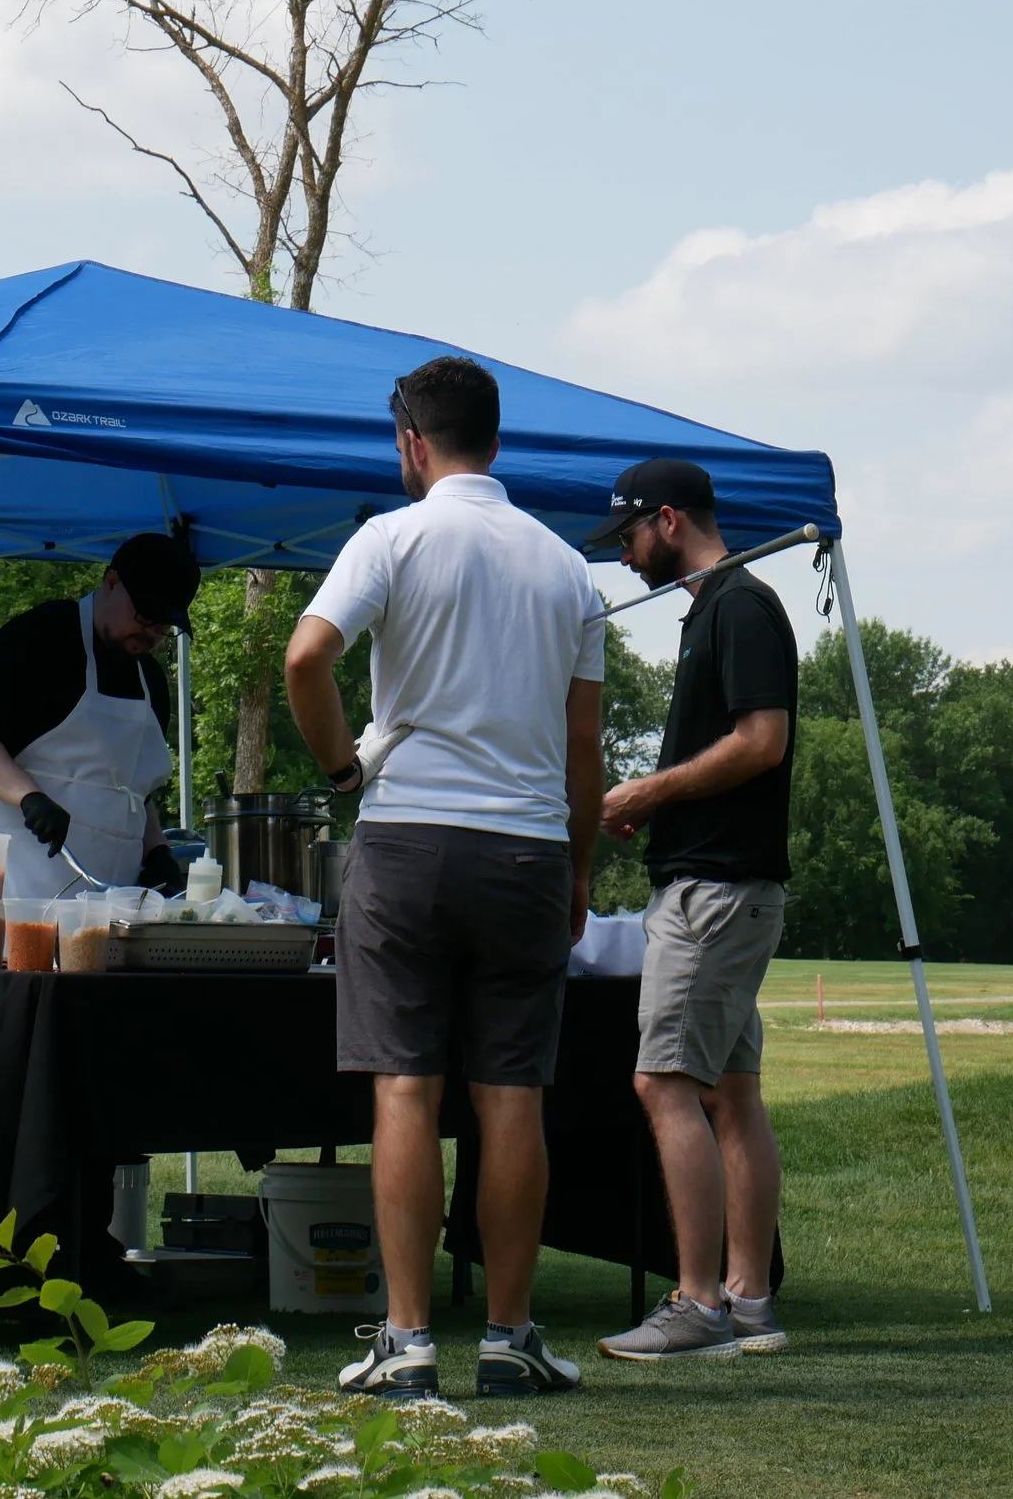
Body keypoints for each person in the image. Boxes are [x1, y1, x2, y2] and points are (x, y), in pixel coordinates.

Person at [284, 356, 606, 1402]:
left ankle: (409, 1339)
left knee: (406, 1088)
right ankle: (510, 1337)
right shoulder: (568, 568)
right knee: (512, 1096)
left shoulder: (391, 534)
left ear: (411, 444)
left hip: (409, 839)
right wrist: (578, 868)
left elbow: (305, 657)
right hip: (526, 847)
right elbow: (584, 747)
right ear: (495, 441)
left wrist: (339, 766)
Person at [586, 457, 796, 1361]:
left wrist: (648, 792)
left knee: (663, 1081)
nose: (625, 558)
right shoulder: (712, 609)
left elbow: (761, 741)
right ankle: (748, 1300)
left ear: (667, 520)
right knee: (731, 1090)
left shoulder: (741, 606)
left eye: (629, 536)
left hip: (713, 893)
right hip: (724, 886)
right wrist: (663, 803)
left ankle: (699, 1304)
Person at [0, 532, 202, 901]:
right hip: (16, 896)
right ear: (111, 582)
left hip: (110, 907)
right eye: (144, 616)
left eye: (163, 626)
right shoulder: (41, 638)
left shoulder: (150, 679)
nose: (151, 633)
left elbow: (135, 792)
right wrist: (29, 797)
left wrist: (156, 850)